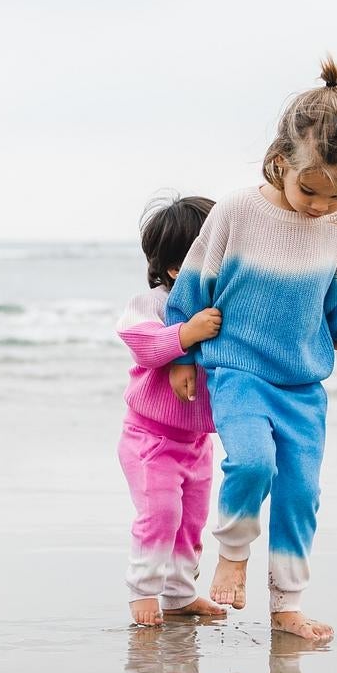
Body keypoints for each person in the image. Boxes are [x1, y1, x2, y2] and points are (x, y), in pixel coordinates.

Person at [164, 58, 337, 642]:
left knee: (300, 492)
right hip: (237, 371)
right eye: (309, 190)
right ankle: (232, 552)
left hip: (303, 386)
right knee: (253, 463)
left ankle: (287, 603)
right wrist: (183, 356)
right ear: (280, 161)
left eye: (336, 196)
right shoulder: (239, 211)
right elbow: (190, 291)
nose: (318, 206)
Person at [116, 194, 231, 626]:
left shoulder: (226, 308)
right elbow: (144, 346)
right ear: (172, 269)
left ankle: (180, 594)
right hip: (150, 439)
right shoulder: (154, 304)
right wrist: (185, 334)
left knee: (192, 521)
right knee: (160, 514)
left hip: (197, 441)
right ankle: (143, 591)